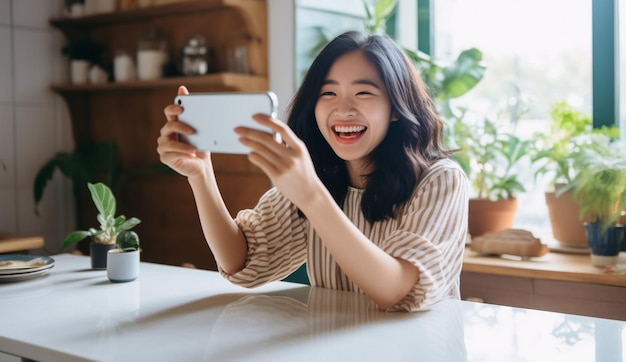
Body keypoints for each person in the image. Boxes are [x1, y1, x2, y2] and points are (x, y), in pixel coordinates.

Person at [157, 31, 468, 312]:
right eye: (328, 93)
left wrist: (312, 196)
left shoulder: (441, 181)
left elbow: (397, 292)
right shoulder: (319, 177)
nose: (342, 110)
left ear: (397, 109)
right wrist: (201, 176)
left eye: (363, 93)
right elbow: (242, 263)